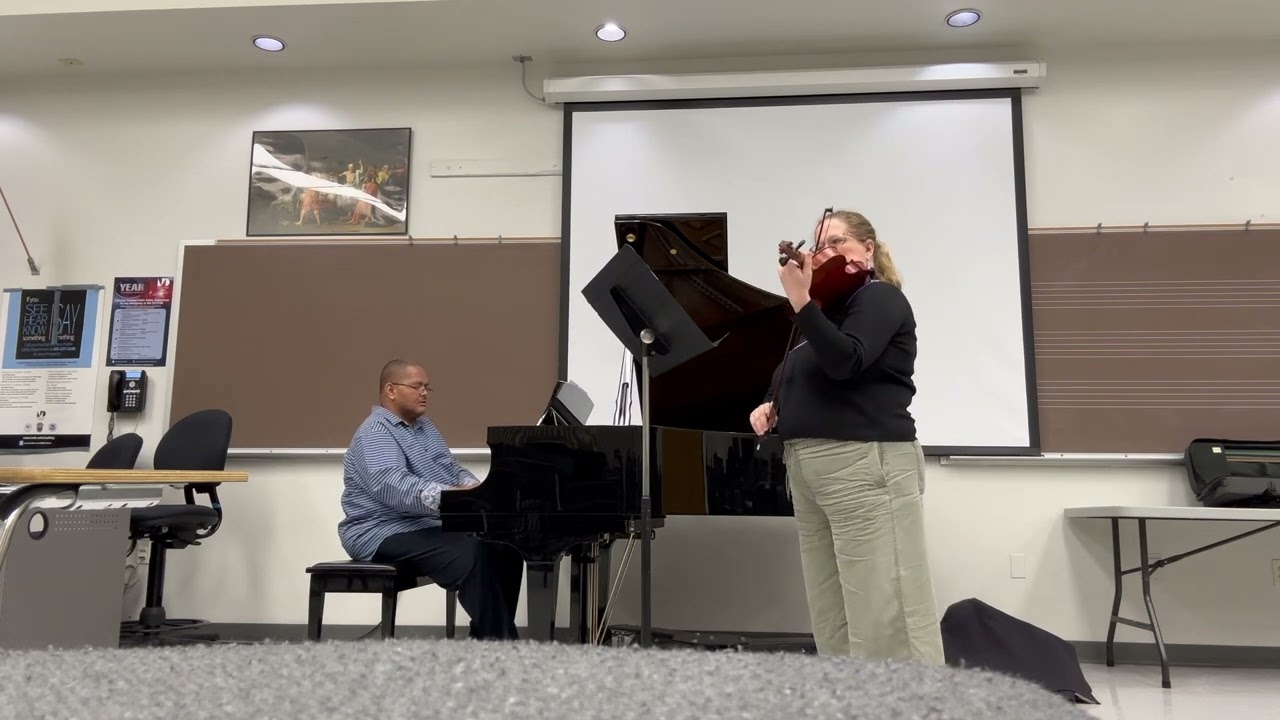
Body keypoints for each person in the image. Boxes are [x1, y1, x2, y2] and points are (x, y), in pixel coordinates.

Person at [749, 210, 943, 663]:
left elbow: (846, 362)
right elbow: (795, 375)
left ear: (867, 249)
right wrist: (770, 404)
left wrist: (802, 303)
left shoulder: (878, 299)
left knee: (885, 613)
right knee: (831, 614)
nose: (825, 253)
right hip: (811, 471)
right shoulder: (823, 316)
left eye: (837, 242)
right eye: (820, 246)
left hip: (864, 466)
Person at [338, 359, 523, 640]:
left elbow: (449, 468)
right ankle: (502, 646)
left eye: (426, 387)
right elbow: (394, 487)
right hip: (379, 530)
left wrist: (475, 487)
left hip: (421, 525)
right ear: (391, 390)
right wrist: (453, 496)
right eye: (416, 386)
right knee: (471, 551)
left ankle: (488, 639)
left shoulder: (424, 427)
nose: (424, 392)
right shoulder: (375, 432)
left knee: (504, 547)